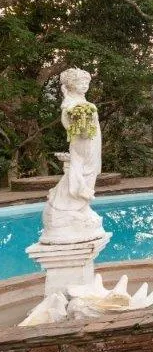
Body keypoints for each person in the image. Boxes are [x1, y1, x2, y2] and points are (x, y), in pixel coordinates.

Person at [38, 68, 107, 244]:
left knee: (90, 170)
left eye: (87, 83)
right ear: (71, 85)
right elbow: (69, 121)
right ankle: (69, 203)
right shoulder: (72, 103)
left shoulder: (82, 101)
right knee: (82, 169)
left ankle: (81, 206)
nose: (85, 85)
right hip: (83, 142)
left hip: (92, 142)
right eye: (80, 82)